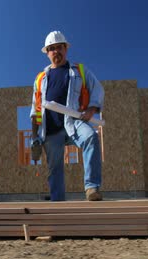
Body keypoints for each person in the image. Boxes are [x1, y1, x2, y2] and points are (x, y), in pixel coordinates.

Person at [30, 31, 105, 201]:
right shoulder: (40, 79)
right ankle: (58, 203)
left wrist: (92, 109)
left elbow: (98, 90)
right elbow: (35, 109)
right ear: (47, 53)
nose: (55, 51)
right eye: (51, 49)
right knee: (54, 167)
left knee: (91, 137)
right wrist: (34, 137)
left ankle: (92, 188)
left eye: (59, 47)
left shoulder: (79, 70)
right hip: (51, 129)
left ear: (66, 49)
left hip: (74, 121)